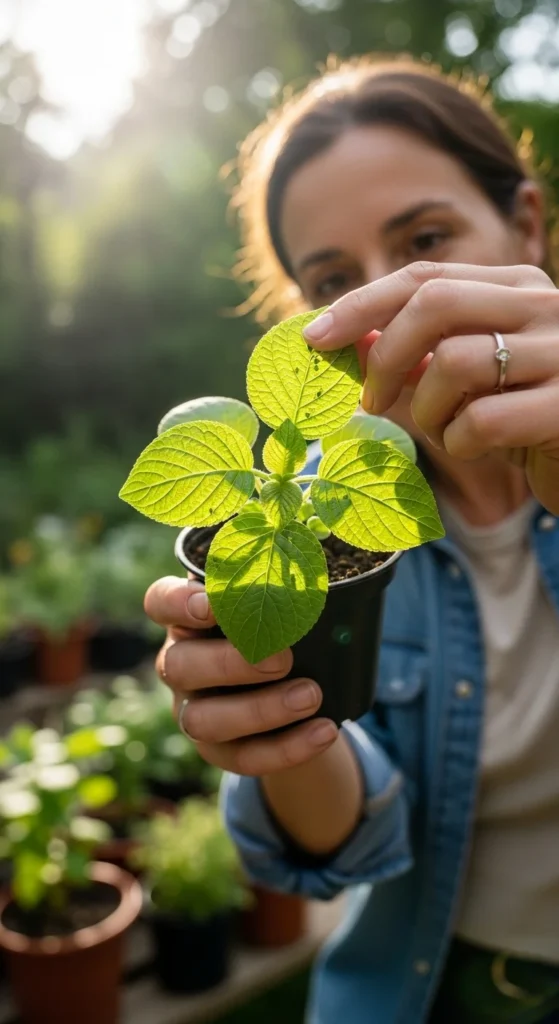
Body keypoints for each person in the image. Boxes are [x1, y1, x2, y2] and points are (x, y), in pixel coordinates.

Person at [144, 56, 559, 1024]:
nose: (394, 301)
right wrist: (275, 720)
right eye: (333, 279)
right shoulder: (338, 527)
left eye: (424, 237)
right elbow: (346, 844)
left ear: (525, 226)